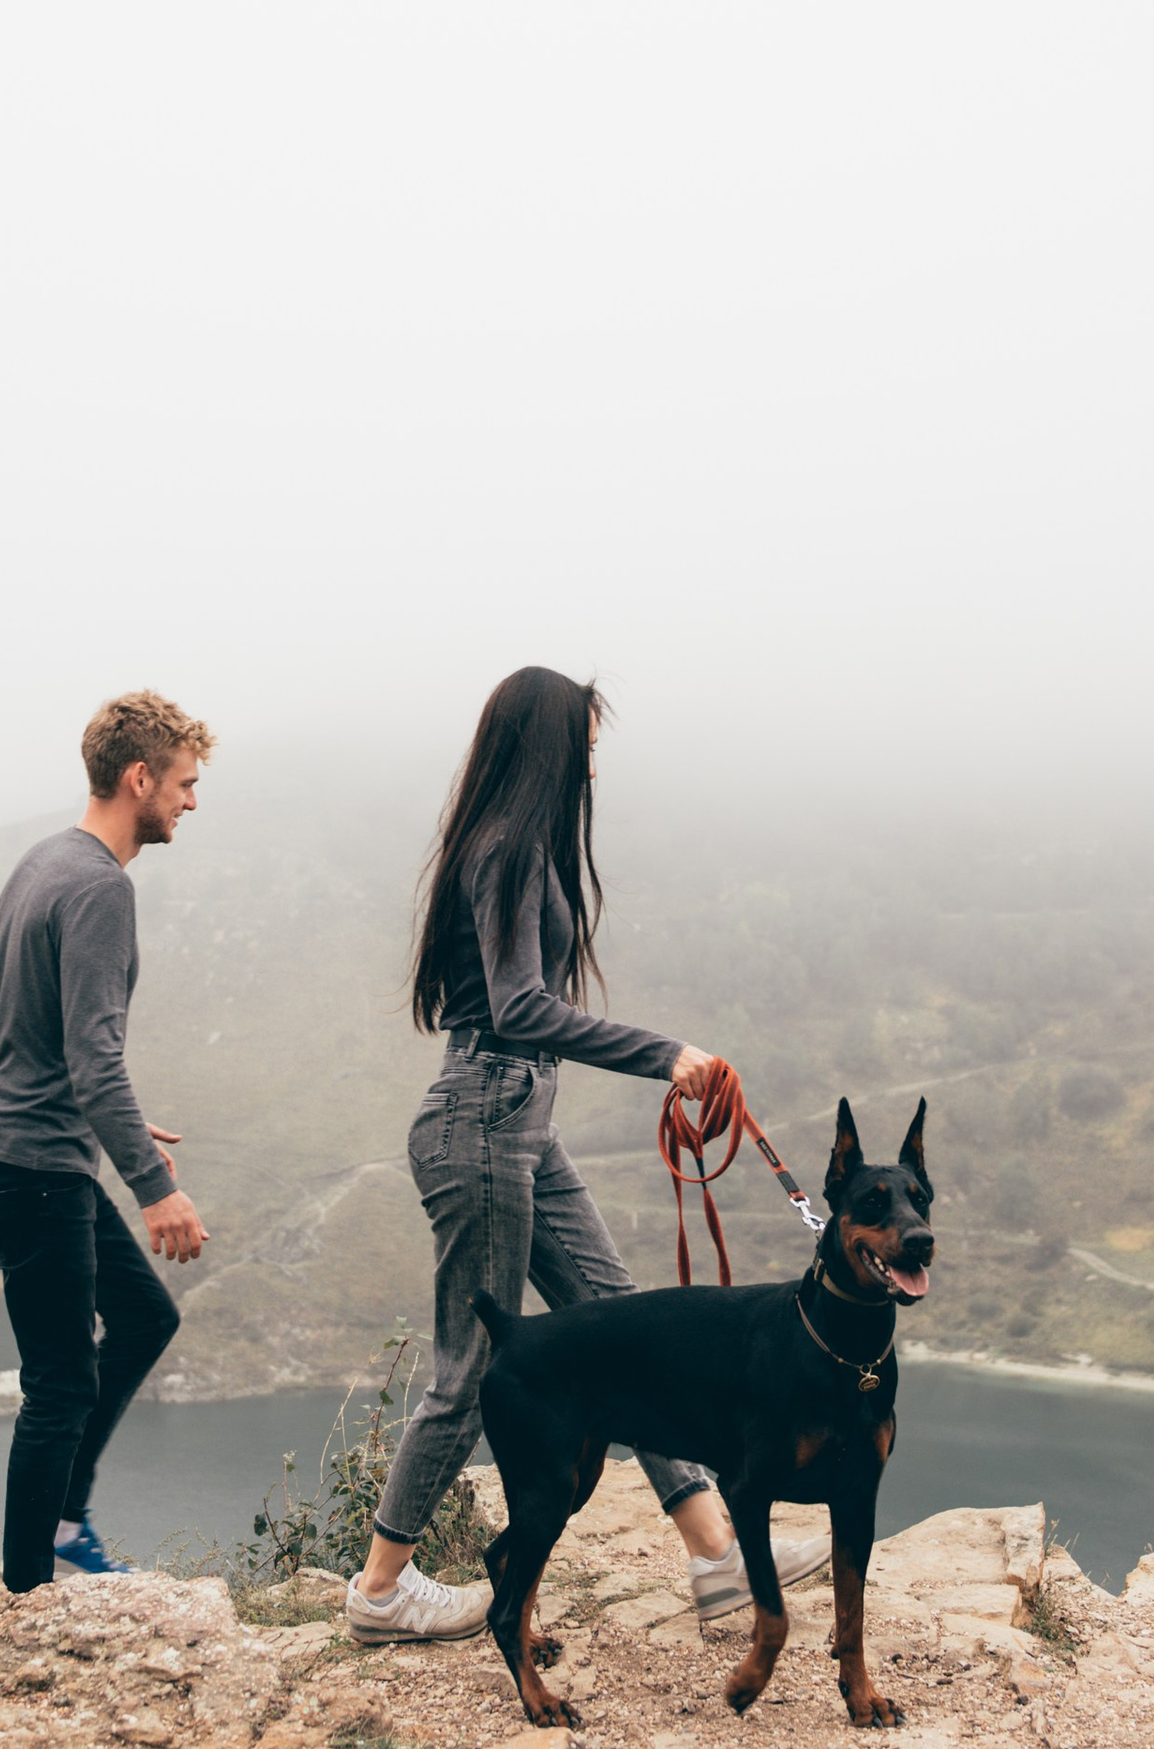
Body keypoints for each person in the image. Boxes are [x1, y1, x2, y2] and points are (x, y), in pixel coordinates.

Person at [350, 665, 833, 1645]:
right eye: (587, 746)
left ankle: (716, 1555)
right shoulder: (510, 848)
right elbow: (521, 1006)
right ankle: (379, 1591)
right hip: (485, 1117)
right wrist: (667, 1056)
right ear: (550, 747)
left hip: (516, 1116)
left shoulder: (507, 845)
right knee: (472, 1367)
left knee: (625, 1329)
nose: (595, 767)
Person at [0, 690, 212, 1591]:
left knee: (145, 1316)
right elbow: (93, 1057)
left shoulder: (46, 859)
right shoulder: (101, 887)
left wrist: (117, 1123)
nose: (191, 802)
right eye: (183, 784)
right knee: (60, 1385)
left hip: (16, 1148)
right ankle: (29, 1594)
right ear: (139, 778)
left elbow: (39, 1031)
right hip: (33, 1167)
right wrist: (155, 1187)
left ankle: (65, 1522)